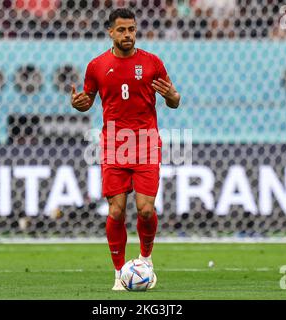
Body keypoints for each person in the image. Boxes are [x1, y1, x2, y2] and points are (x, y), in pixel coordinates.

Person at [71, 8, 181, 290]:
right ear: (111, 32)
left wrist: (172, 96)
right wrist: (80, 104)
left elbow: (174, 100)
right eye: (122, 30)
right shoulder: (96, 66)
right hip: (113, 145)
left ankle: (146, 260)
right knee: (116, 211)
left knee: (145, 210)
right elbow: (88, 99)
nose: (128, 35)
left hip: (145, 143)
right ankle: (119, 272)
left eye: (131, 29)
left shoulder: (152, 62)